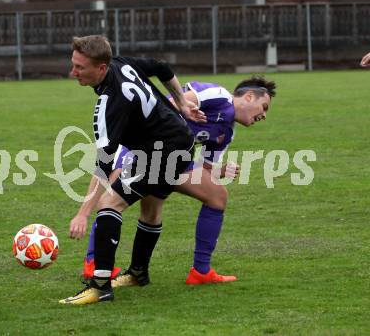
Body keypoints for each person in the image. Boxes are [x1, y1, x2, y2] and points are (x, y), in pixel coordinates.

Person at [81, 77, 276, 287]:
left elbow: (204, 169)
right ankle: (93, 263)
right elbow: (167, 105)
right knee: (114, 198)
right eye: (263, 107)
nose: (264, 115)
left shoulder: (226, 133)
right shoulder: (218, 95)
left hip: (172, 161)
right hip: (140, 143)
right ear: (248, 97)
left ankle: (200, 272)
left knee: (215, 196)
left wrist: (218, 170)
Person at [59, 35, 203, 306]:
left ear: (101, 68)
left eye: (80, 67)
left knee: (108, 204)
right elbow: (162, 67)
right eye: (73, 64)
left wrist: (82, 213)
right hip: (180, 139)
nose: (73, 72)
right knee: (150, 208)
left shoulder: (109, 103)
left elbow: (104, 163)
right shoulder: (121, 63)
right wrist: (181, 103)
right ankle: (138, 273)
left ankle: (100, 286)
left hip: (163, 151)